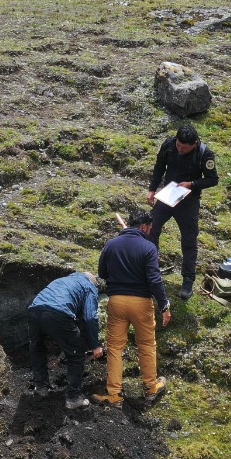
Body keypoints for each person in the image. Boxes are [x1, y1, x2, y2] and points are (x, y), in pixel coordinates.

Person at [95, 210, 171, 407]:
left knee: (114, 348)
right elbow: (154, 280)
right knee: (146, 345)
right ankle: (150, 388)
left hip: (117, 301)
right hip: (141, 303)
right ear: (144, 226)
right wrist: (164, 305)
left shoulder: (111, 244)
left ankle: (114, 396)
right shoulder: (148, 247)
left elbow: (102, 272)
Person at [147, 122, 219, 300]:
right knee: (151, 229)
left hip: (188, 201)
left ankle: (188, 279)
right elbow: (159, 167)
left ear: (194, 144)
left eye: (184, 147)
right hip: (168, 195)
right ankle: (151, 268)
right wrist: (152, 189)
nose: (180, 149)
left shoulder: (205, 154)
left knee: (189, 240)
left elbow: (213, 179)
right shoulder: (169, 145)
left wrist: (192, 184)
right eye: (178, 145)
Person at [27, 271, 104, 410]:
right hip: (58, 313)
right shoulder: (89, 286)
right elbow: (90, 317)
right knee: (76, 355)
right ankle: (73, 398)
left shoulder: (62, 280)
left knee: (37, 348)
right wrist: (94, 345)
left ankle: (41, 388)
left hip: (34, 311)